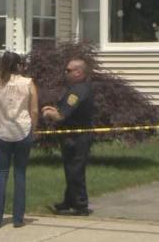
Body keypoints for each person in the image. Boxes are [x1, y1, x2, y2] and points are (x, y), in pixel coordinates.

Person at [0, 51, 39, 228]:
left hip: (3, 132)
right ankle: (18, 219)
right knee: (20, 174)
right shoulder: (28, 83)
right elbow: (34, 111)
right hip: (23, 131)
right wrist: (33, 130)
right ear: (19, 65)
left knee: (1, 174)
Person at [41, 57, 95, 216]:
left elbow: (62, 116)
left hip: (77, 137)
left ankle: (80, 205)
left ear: (79, 72)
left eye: (68, 70)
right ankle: (69, 201)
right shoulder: (77, 88)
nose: (66, 73)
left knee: (75, 170)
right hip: (72, 135)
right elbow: (65, 110)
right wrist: (53, 108)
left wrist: (48, 113)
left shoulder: (78, 91)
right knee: (70, 169)